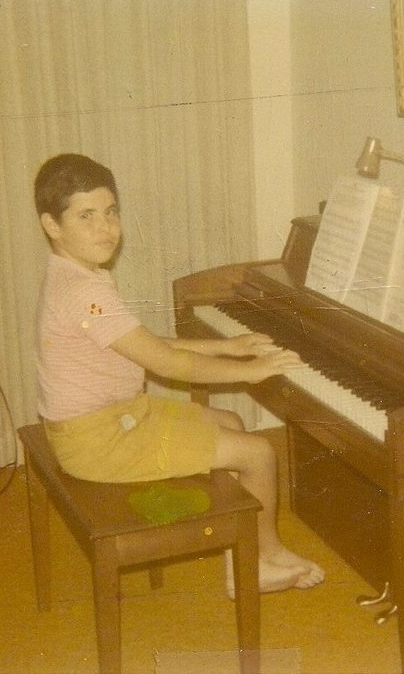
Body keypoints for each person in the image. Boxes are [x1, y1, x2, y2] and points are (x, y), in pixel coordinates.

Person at [33, 153, 324, 596]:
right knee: (261, 452)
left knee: (232, 424)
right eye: (86, 216)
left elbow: (145, 342)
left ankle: (257, 550)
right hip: (99, 441)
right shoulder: (84, 293)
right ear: (52, 225)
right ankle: (257, 565)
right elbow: (165, 363)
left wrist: (228, 346)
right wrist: (251, 372)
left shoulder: (78, 276)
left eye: (110, 212)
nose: (105, 227)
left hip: (112, 420)